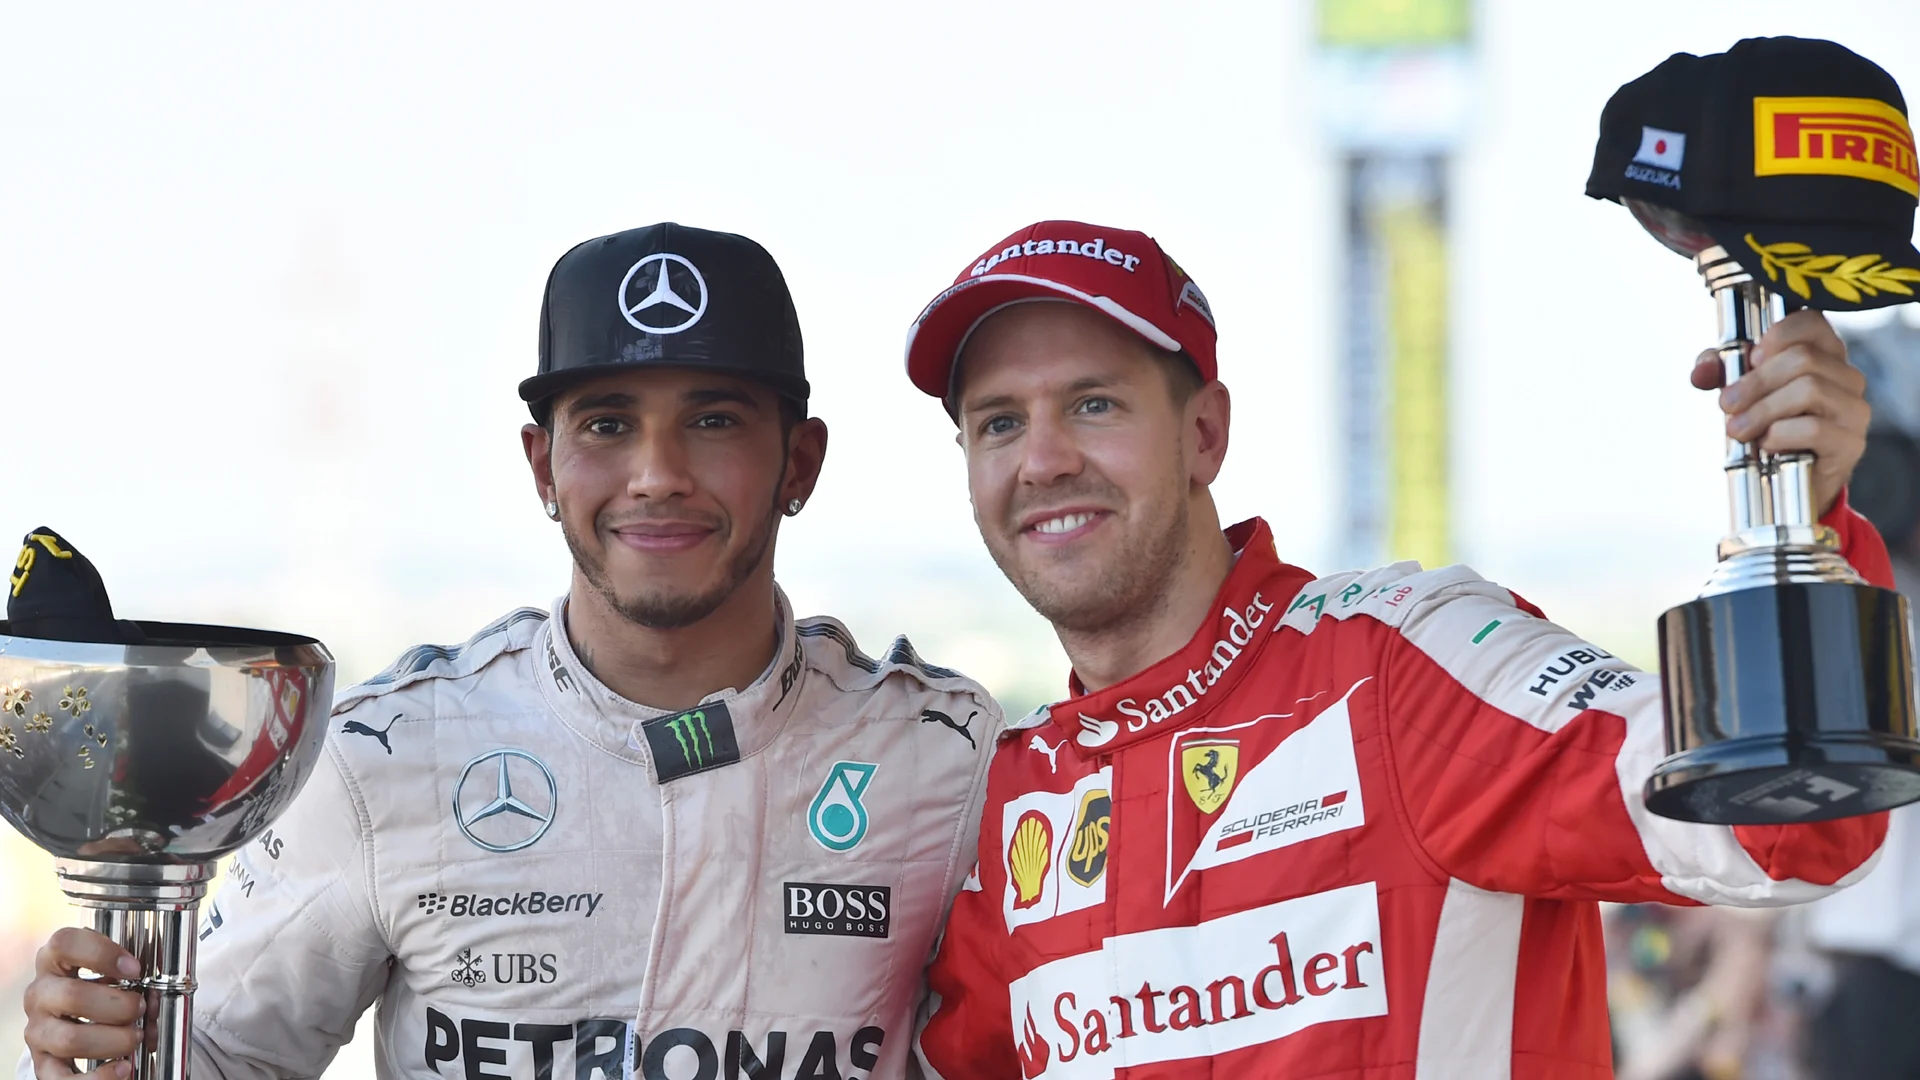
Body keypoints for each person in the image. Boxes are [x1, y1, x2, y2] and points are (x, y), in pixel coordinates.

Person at [898, 217, 1895, 1080]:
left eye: (1093, 403)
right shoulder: (1008, 806)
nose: (1042, 460)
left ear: (1205, 434)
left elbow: (1790, 833)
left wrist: (1802, 527)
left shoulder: (1407, 666)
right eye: (998, 424)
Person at [21, 223, 1001, 1080]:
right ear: (543, 465)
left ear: (801, 462)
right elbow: (218, 1059)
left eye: (713, 421)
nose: (656, 475)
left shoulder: (943, 759)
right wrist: (92, 1048)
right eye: (607, 425)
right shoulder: (390, 757)